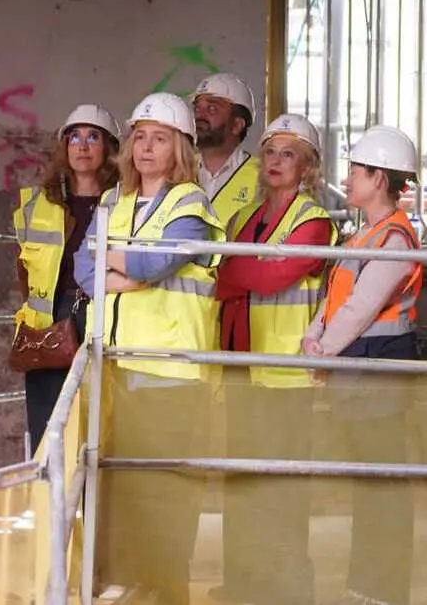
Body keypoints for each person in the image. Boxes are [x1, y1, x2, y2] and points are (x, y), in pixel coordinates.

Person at [74, 92, 225, 605]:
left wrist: (114, 263)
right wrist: (122, 272)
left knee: (165, 488)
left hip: (168, 369)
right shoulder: (113, 200)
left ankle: (169, 586)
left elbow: (152, 266)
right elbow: (81, 268)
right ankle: (131, 581)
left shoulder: (190, 205)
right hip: (112, 363)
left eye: (159, 138)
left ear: (180, 147)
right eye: (139, 137)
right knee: (121, 483)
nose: (145, 147)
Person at [210, 114, 338, 605]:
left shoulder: (314, 221)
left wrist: (244, 267)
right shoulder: (244, 221)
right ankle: (241, 586)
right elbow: (226, 279)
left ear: (307, 166)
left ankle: (286, 590)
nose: (275, 162)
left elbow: (267, 279)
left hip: (285, 374)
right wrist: (250, 267)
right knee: (240, 485)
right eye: (270, 153)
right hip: (242, 366)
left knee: (283, 490)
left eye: (288, 154)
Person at [304, 125, 423, 605]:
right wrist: (315, 338)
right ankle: (365, 586)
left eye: (356, 170)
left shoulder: (393, 239)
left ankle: (381, 589)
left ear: (380, 178)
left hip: (380, 371)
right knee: (369, 481)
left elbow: (361, 308)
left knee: (383, 485)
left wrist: (324, 350)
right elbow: (335, 300)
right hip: (358, 367)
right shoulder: (362, 236)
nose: (348, 178)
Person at [14, 103, 120, 456]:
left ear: (109, 148)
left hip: (105, 315)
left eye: (93, 137)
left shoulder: (124, 202)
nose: (83, 146)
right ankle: (49, 502)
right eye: (74, 137)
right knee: (48, 423)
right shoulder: (39, 203)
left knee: (101, 419)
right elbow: (23, 269)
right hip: (51, 321)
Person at [190, 73, 261, 223]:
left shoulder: (263, 176)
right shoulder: (178, 170)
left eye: (212, 108)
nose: (199, 116)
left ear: (237, 125)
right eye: (197, 109)